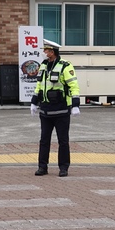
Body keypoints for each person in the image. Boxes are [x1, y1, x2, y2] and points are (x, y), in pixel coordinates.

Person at [31, 39, 80, 177]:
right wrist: (34, 102)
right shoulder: (43, 65)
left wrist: (75, 105)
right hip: (45, 110)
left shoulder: (65, 66)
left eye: (46, 51)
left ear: (52, 52)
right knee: (44, 140)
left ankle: (63, 167)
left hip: (61, 110)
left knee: (63, 141)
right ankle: (42, 167)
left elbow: (73, 86)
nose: (43, 53)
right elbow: (39, 85)